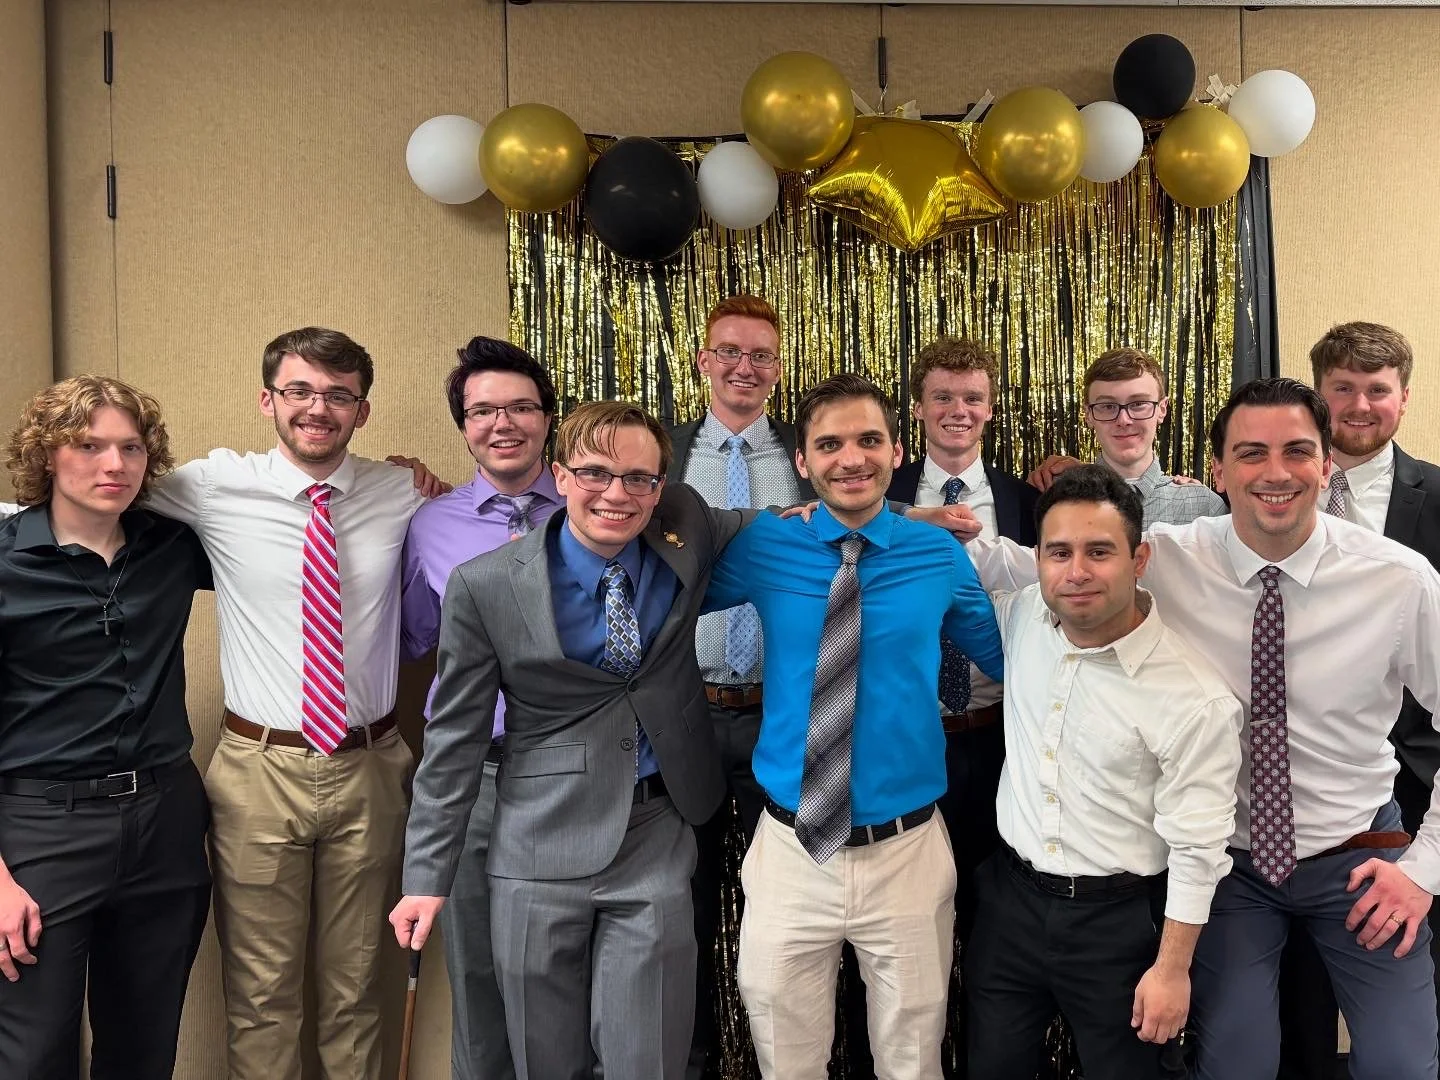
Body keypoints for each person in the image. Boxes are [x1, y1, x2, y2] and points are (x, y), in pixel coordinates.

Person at [962, 378, 1440, 1080]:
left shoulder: (1399, 582)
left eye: (1297, 451)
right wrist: (865, 511)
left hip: (1357, 856)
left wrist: (1424, 872)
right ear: (1217, 471)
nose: (1274, 473)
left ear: (1327, 465)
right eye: (1251, 453)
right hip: (1230, 866)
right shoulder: (1167, 554)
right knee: (1232, 1063)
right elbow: (1036, 562)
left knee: (1401, 1064)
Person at [392, 401, 755, 1080]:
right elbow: (454, 742)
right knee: (545, 1061)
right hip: (536, 847)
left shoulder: (685, 527)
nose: (617, 493)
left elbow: (797, 527)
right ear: (558, 474)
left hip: (654, 832)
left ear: (660, 487)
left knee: (646, 1059)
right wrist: (424, 879)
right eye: (594, 472)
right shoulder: (488, 585)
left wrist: (912, 518)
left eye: (639, 479)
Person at [145, 327, 429, 1080]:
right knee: (262, 997)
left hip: (370, 766)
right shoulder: (211, 485)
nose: (318, 409)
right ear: (267, 399)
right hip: (256, 771)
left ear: (361, 412)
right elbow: (87, 491)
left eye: (338, 395)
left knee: (355, 993)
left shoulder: (400, 491)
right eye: (300, 391)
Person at [704, 373, 1005, 1080]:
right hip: (788, 851)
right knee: (788, 1062)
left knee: (911, 1060)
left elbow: (1009, 657)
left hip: (906, 852)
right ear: (803, 462)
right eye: (830, 444)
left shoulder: (937, 554)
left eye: (869, 440)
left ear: (897, 451)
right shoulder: (765, 547)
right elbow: (668, 590)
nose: (851, 458)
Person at [965, 464, 1242, 1080]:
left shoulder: (1194, 699)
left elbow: (1199, 850)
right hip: (1009, 906)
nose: (1077, 572)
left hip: (1118, 927)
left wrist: (1171, 971)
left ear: (1139, 559)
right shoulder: (1025, 613)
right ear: (1037, 559)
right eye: (1058, 552)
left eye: (1100, 551)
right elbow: (962, 550)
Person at [0, 376, 213, 1079]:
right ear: (47, 455)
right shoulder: (3, 561)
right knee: (33, 1056)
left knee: (144, 1049)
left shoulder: (174, 548)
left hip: (165, 822)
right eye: (88, 446)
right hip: (40, 831)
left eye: (129, 447)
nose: (113, 465)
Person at [1278, 321, 1440, 1079]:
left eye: (1377, 390)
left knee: (1414, 970)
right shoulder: (1272, 489)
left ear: (1403, 399)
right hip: (1316, 784)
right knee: (1303, 978)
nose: (1360, 404)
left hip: (1427, 772)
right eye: (1341, 388)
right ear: (1318, 396)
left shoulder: (1439, 496)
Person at [399, 336, 561, 1080]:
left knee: (572, 976)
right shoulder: (430, 528)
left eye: (521, 407)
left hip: (575, 777)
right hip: (479, 781)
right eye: (483, 409)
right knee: (477, 975)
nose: (504, 423)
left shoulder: (600, 507)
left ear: (548, 418)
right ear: (463, 425)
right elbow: (410, 642)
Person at [665, 295, 812, 1079]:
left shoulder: (811, 454)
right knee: (677, 913)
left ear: (777, 369)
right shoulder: (659, 453)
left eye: (759, 356)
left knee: (786, 919)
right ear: (702, 361)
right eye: (729, 352)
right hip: (685, 716)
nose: (743, 368)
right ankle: (691, 1064)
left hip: (781, 720)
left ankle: (777, 1066)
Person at [1028, 348, 1227, 527]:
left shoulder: (1204, 508)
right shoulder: (1051, 495)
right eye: (1107, 406)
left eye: (1138, 404)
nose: (1123, 420)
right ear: (1088, 414)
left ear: (1162, 409)